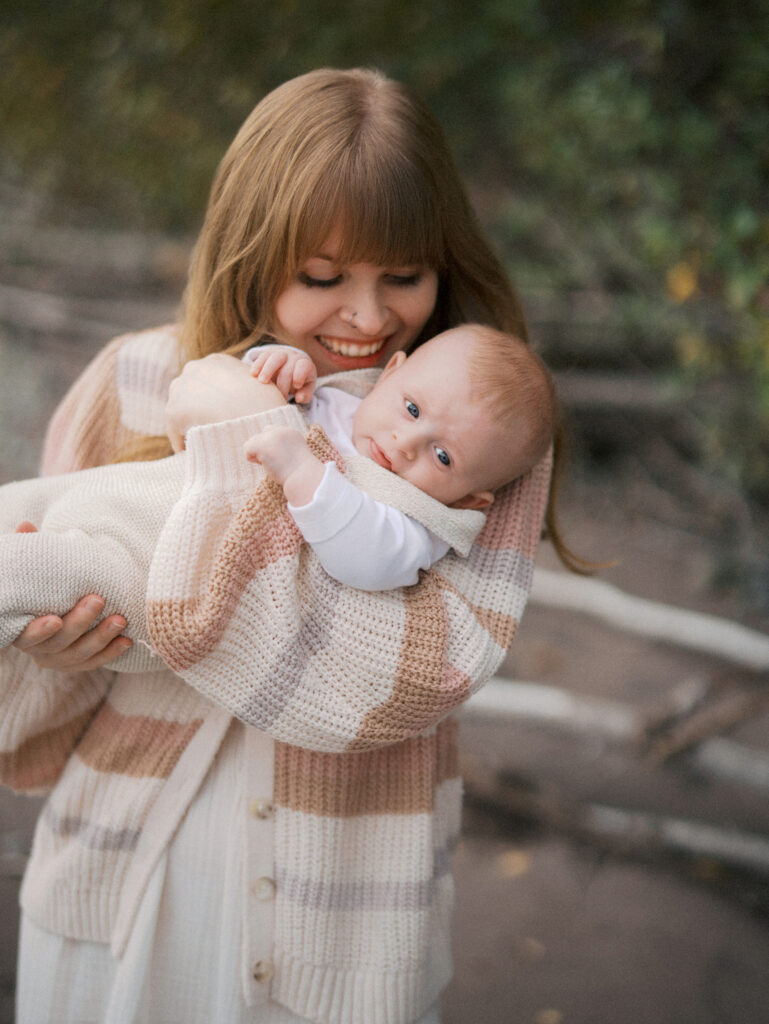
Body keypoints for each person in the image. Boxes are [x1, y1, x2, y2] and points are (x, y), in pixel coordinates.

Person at [3, 68, 559, 1024]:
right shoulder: (130, 381)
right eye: (321, 277)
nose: (370, 317)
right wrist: (50, 650)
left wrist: (243, 437)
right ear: (250, 250)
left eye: (404, 275)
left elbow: (411, 677)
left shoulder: (476, 428)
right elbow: (20, 712)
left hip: (339, 921)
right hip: (123, 882)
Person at [0, 325, 556, 658]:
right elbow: (241, 406)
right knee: (25, 505)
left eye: (442, 456)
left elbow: (370, 558)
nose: (405, 441)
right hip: (134, 497)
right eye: (412, 409)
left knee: (38, 571)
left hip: (163, 576)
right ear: (389, 374)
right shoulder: (341, 401)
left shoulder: (417, 520)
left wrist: (303, 468)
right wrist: (275, 366)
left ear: (469, 502)